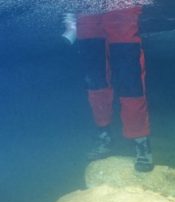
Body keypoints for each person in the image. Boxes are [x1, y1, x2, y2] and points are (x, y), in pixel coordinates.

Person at [62, 4, 153, 172]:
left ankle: (140, 140)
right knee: (95, 79)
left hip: (122, 8)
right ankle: (104, 135)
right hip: (87, 12)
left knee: (129, 77)